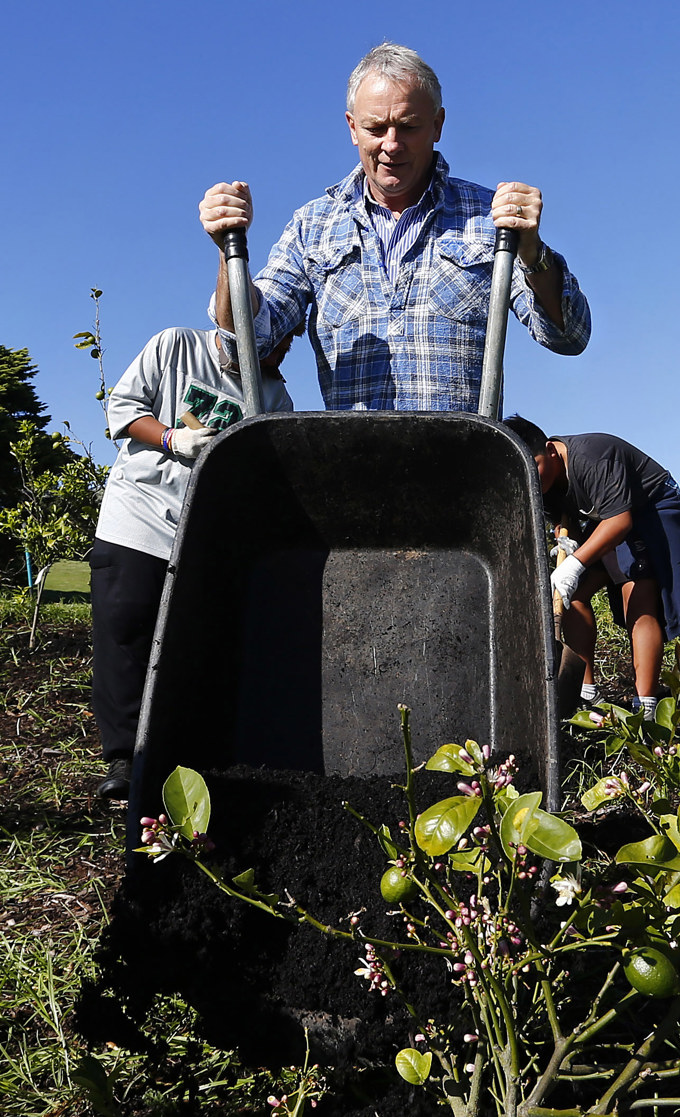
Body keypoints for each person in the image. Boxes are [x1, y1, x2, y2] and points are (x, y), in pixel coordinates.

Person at [198, 42, 590, 412]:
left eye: (408, 126)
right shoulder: (311, 226)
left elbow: (568, 336)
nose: (392, 144)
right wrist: (226, 251)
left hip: (465, 472)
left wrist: (531, 252)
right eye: (376, 128)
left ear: (437, 125)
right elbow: (246, 343)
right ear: (353, 128)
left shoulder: (490, 217)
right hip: (353, 469)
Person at [91, 325, 298, 799]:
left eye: (292, 340)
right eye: (281, 338)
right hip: (139, 512)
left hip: (201, 531)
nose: (287, 348)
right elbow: (122, 410)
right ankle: (125, 759)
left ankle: (183, 757)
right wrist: (169, 439)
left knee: (195, 641)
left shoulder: (273, 399)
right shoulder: (175, 345)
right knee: (127, 623)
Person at [504, 415, 680, 719]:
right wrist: (563, 539)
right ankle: (585, 692)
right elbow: (563, 516)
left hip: (649, 507)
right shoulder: (540, 480)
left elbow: (620, 522)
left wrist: (575, 562)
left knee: (636, 592)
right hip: (607, 519)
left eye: (535, 467)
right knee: (574, 595)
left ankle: (646, 706)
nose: (531, 478)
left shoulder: (592, 457)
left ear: (549, 449)